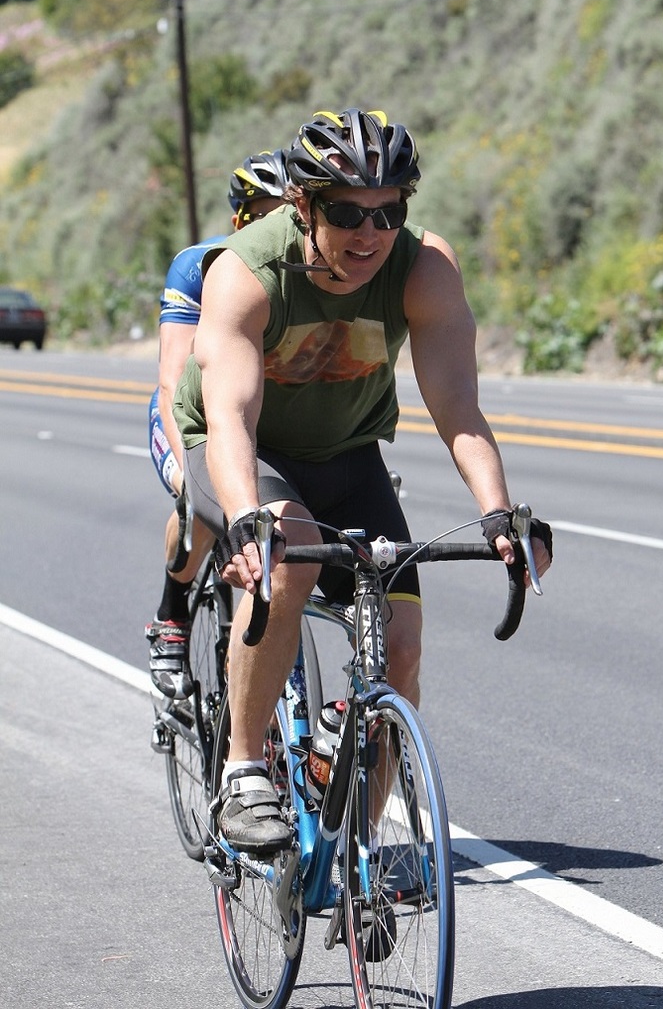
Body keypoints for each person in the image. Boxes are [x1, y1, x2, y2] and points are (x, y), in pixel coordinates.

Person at [173, 108, 553, 855]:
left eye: (389, 213)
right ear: (304, 206)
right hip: (246, 449)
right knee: (291, 556)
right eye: (347, 212)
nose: (370, 233)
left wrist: (498, 514)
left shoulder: (422, 269)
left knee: (402, 647)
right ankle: (243, 771)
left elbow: (459, 408)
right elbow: (231, 419)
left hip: (348, 456)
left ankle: (361, 856)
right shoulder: (246, 273)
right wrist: (248, 516)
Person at [146, 149, 290, 699]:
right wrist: (192, 476)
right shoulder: (200, 264)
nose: (275, 227)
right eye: (263, 215)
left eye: (286, 214)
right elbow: (171, 376)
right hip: (191, 411)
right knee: (205, 504)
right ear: (240, 221)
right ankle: (171, 614)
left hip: (261, 414)